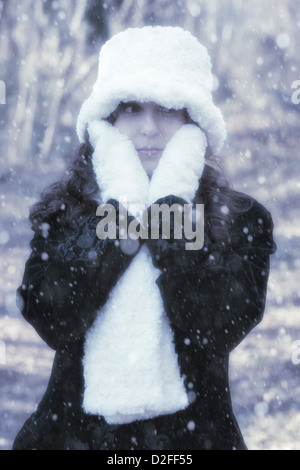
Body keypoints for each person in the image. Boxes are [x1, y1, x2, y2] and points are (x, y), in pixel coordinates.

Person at [13, 26, 276, 451]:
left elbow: (218, 328)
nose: (150, 128)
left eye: (168, 109)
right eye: (132, 108)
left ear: (195, 121)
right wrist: (119, 217)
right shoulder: (67, 211)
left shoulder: (242, 219)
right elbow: (51, 318)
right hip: (70, 438)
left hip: (195, 442)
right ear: (108, 119)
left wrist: (169, 217)